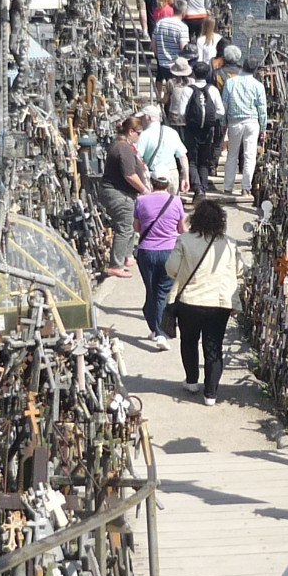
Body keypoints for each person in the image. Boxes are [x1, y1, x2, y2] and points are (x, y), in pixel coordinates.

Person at [165, 198, 239, 404]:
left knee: (189, 341)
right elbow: (239, 269)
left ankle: (191, 381)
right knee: (213, 346)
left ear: (194, 219)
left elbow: (171, 269)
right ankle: (211, 393)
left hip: (190, 301)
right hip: (219, 303)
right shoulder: (229, 244)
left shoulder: (184, 240)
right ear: (220, 221)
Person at [93, 112, 153, 278]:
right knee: (124, 228)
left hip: (122, 192)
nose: (139, 137)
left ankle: (126, 257)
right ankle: (116, 264)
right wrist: (144, 190)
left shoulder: (121, 146)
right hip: (118, 193)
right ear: (131, 131)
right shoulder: (123, 148)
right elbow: (129, 174)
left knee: (129, 226)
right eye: (138, 134)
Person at [131, 185, 185, 345]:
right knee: (163, 292)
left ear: (152, 183)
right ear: (167, 185)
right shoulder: (176, 201)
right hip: (169, 251)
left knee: (152, 289)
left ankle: (154, 325)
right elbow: (182, 228)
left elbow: (137, 227)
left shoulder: (140, 200)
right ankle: (161, 333)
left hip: (146, 252)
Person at [221, 52, 270, 197]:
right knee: (250, 155)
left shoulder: (230, 82)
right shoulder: (258, 86)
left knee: (232, 155)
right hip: (252, 121)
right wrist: (263, 127)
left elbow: (225, 104)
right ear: (255, 70)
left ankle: (228, 187)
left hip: (234, 121)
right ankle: (246, 188)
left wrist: (224, 122)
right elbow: (262, 108)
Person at [183, 60, 224, 194]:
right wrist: (211, 119)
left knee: (192, 159)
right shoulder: (213, 90)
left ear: (193, 73)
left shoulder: (187, 90)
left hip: (191, 129)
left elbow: (180, 112)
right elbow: (220, 111)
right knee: (204, 160)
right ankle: (204, 187)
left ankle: (197, 187)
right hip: (208, 129)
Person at [135, 100, 189, 193]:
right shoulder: (172, 132)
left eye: (142, 118)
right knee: (170, 204)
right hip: (171, 173)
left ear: (148, 118)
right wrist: (185, 177)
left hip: (154, 175)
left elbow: (137, 157)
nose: (140, 121)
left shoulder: (144, 135)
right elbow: (183, 156)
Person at [152, 0, 190, 75]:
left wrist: (159, 57)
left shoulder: (160, 23)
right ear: (183, 12)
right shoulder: (182, 27)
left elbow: (153, 45)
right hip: (176, 66)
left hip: (162, 63)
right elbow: (183, 47)